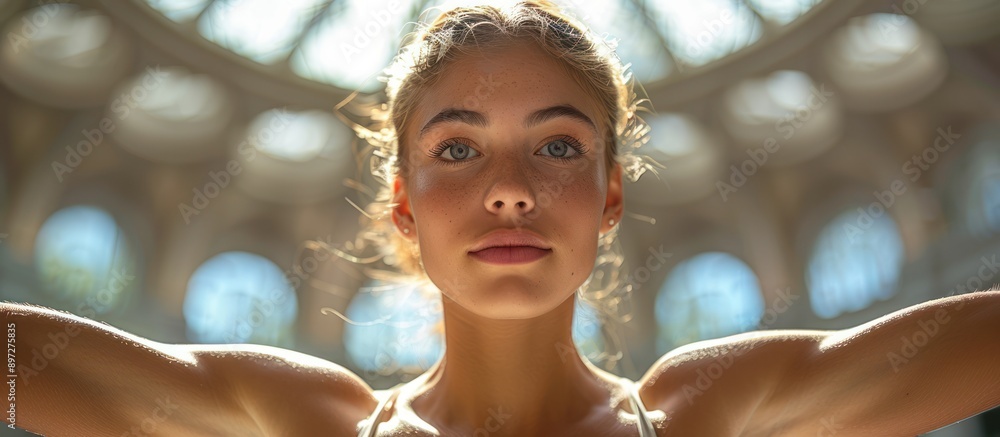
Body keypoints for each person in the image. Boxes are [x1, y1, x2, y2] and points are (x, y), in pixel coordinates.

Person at [5, 1, 1000, 436]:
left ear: (610, 194)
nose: (511, 188)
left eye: (558, 145)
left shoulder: (704, 412)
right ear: (403, 198)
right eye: (457, 147)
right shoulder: (303, 418)